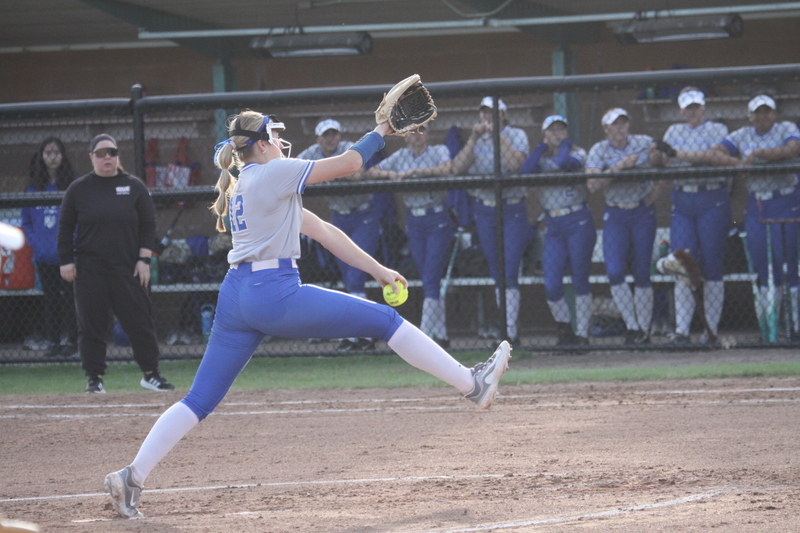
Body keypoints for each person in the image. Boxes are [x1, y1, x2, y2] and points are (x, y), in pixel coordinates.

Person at [103, 109, 512, 519]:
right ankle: (472, 385)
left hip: (237, 295)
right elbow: (351, 163)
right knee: (386, 322)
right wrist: (381, 130)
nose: (281, 142)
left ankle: (132, 476)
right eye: (274, 136)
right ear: (260, 144)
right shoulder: (272, 173)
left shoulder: (248, 180)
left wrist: (379, 270)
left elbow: (326, 232)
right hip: (272, 292)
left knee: (199, 399)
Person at [57, 133, 174, 393]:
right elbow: (65, 228)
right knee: (91, 326)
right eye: (100, 153)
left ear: (117, 155)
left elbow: (148, 226)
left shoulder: (134, 186)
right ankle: (94, 378)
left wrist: (144, 259)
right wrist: (66, 261)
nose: (107, 157)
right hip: (90, 270)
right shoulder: (78, 189)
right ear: (91, 157)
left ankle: (151, 374)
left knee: (139, 322)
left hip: (128, 267)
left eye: (111, 152)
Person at [706, 94, 800, 339]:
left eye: (767, 111)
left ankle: (796, 327)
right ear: (750, 116)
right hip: (757, 202)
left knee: (790, 263)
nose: (763, 116)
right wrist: (738, 164)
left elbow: (793, 149)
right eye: (758, 112)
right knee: (763, 267)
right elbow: (713, 153)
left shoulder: (785, 128)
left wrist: (759, 153)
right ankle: (768, 329)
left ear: (775, 113)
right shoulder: (742, 134)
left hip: (786, 199)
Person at [452, 96, 534, 346]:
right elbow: (457, 168)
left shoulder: (517, 134)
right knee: (497, 270)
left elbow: (514, 165)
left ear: (503, 116)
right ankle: (506, 330)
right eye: (485, 113)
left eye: (495, 114)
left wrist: (498, 135)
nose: (489, 118)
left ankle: (510, 332)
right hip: (485, 209)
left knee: (510, 268)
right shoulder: (475, 138)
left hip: (512, 209)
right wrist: (474, 138)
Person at [651, 88, 731, 344]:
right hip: (684, 199)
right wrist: (658, 153)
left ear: (703, 107)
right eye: (688, 107)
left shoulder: (718, 130)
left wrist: (675, 155)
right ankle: (683, 332)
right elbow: (660, 161)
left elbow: (715, 159)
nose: (693, 111)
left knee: (712, 265)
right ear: (681, 110)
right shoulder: (674, 131)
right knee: (682, 262)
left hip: (712, 198)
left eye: (696, 106)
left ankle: (711, 332)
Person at [366, 126, 455, 347]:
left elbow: (446, 169)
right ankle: (441, 335)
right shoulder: (401, 156)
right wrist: (392, 174)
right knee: (427, 277)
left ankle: (425, 336)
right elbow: (371, 172)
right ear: (405, 136)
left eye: (422, 130)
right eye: (412, 131)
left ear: (428, 134)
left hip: (437, 218)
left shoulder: (438, 151)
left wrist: (415, 173)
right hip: (414, 222)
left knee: (432, 276)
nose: (417, 134)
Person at [297, 118, 380, 352]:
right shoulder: (312, 152)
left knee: (356, 275)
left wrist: (322, 172)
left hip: (363, 215)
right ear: (317, 139)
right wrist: (330, 171)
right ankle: (358, 335)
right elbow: (292, 172)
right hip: (339, 217)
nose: (330, 139)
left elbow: (356, 174)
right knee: (347, 276)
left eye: (334, 134)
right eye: (325, 135)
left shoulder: (348, 148)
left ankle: (362, 334)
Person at [586, 108, 661, 345]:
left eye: (623, 124)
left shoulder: (643, 143)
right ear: (606, 128)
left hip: (641, 210)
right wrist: (619, 167)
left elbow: (664, 165)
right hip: (616, 212)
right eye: (614, 125)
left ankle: (644, 329)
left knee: (642, 273)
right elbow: (592, 185)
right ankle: (632, 326)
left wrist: (656, 191)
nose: (620, 129)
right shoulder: (599, 149)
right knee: (615, 271)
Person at [520, 115, 594, 346]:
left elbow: (565, 164)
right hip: (554, 224)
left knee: (580, 279)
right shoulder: (540, 158)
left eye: (561, 130)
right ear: (544, 135)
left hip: (578, 219)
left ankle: (582, 334)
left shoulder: (577, 153)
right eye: (551, 131)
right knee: (552, 285)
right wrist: (540, 149)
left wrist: (563, 146)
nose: (557, 134)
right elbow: (525, 172)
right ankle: (565, 330)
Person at [21, 137, 79, 358]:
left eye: (56, 152)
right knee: (51, 299)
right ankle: (54, 342)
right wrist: (35, 242)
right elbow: (26, 221)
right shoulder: (34, 187)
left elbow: (80, 217)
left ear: (63, 156)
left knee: (71, 298)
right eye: (48, 152)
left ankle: (72, 341)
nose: (52, 156)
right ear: (41, 156)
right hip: (44, 255)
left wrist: (72, 243)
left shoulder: (72, 185)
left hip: (68, 255)